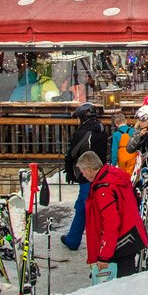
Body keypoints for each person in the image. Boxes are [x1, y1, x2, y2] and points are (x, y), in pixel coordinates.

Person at [80, 150, 147, 280]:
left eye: (82, 172)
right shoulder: (114, 175)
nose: (82, 175)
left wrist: (104, 256)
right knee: (128, 279)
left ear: (88, 170)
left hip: (121, 242)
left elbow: (111, 222)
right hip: (131, 236)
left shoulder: (103, 188)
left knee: (121, 286)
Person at [61, 102, 106, 251]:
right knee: (82, 207)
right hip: (100, 173)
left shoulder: (83, 133)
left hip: (86, 173)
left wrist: (70, 171)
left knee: (91, 209)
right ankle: (73, 239)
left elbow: (71, 153)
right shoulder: (102, 129)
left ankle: (100, 243)